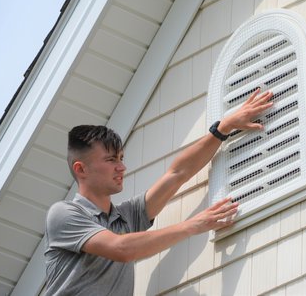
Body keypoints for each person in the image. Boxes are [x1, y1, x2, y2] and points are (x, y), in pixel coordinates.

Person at [44, 89, 273, 295]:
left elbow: (178, 173)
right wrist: (193, 225)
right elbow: (121, 248)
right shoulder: (63, 214)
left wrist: (223, 128)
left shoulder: (125, 220)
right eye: (111, 160)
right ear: (81, 169)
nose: (121, 167)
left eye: (121, 159)